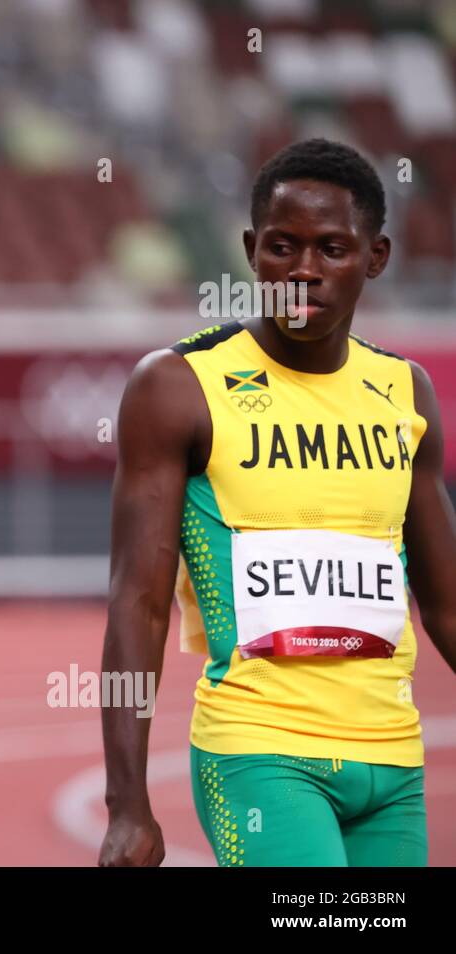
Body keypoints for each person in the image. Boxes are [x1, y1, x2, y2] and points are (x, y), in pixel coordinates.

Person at [99, 138, 456, 867]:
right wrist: (127, 802)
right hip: (259, 754)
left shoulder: (406, 394)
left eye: (332, 249)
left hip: (392, 763)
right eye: (282, 247)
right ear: (250, 250)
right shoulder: (178, 387)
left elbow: (447, 603)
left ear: (376, 257)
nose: (303, 271)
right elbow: (138, 600)